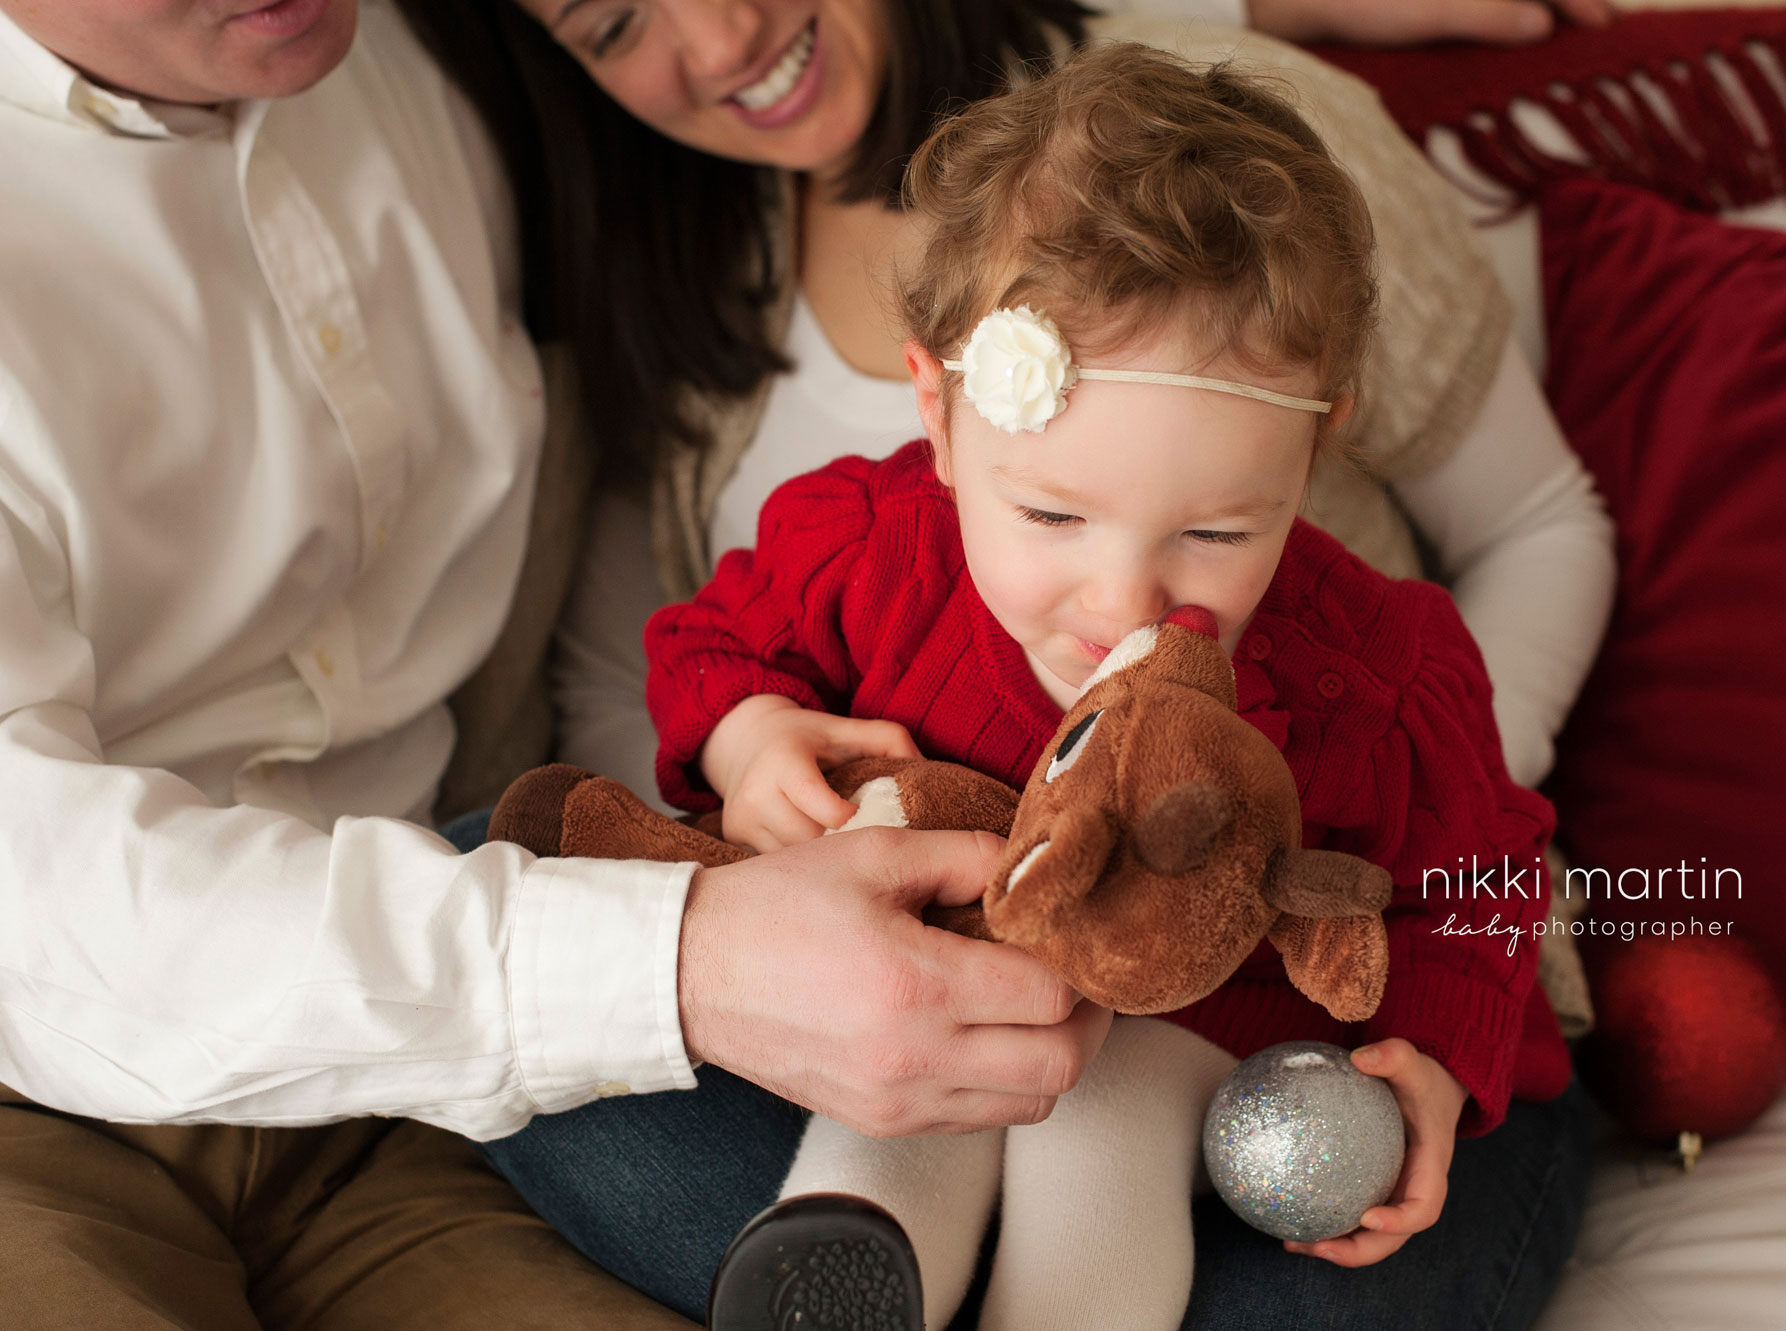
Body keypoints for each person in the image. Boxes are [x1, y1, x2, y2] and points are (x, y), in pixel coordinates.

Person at [396, 1, 1618, 1326]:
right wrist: (750, 737)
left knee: (1104, 1100)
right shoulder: (864, 539)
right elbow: (710, 639)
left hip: (1223, 1059)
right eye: (1050, 517)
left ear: (1315, 454)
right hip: (911, 1016)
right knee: (512, 921)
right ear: (937, 413)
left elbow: (1485, 878)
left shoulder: (1379, 667)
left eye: (1216, 532)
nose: (1124, 595)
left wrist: (1432, 1063)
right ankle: (853, 1252)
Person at [0, 2, 1112, 1325]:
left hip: (429, 1100)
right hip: (50, 1098)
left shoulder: (434, 42)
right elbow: (42, 900)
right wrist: (677, 964)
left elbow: (764, 66)